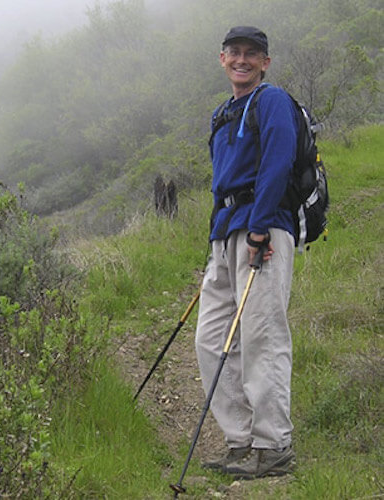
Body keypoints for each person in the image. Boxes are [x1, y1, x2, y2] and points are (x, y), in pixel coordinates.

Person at [195, 26, 297, 479]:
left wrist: (258, 231)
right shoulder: (223, 112)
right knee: (211, 339)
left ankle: (273, 446)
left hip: (263, 231)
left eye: (251, 54)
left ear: (265, 62)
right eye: (234, 52)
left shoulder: (271, 101)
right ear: (222, 59)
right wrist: (218, 240)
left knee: (262, 337)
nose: (242, 60)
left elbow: (279, 162)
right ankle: (240, 440)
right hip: (226, 235)